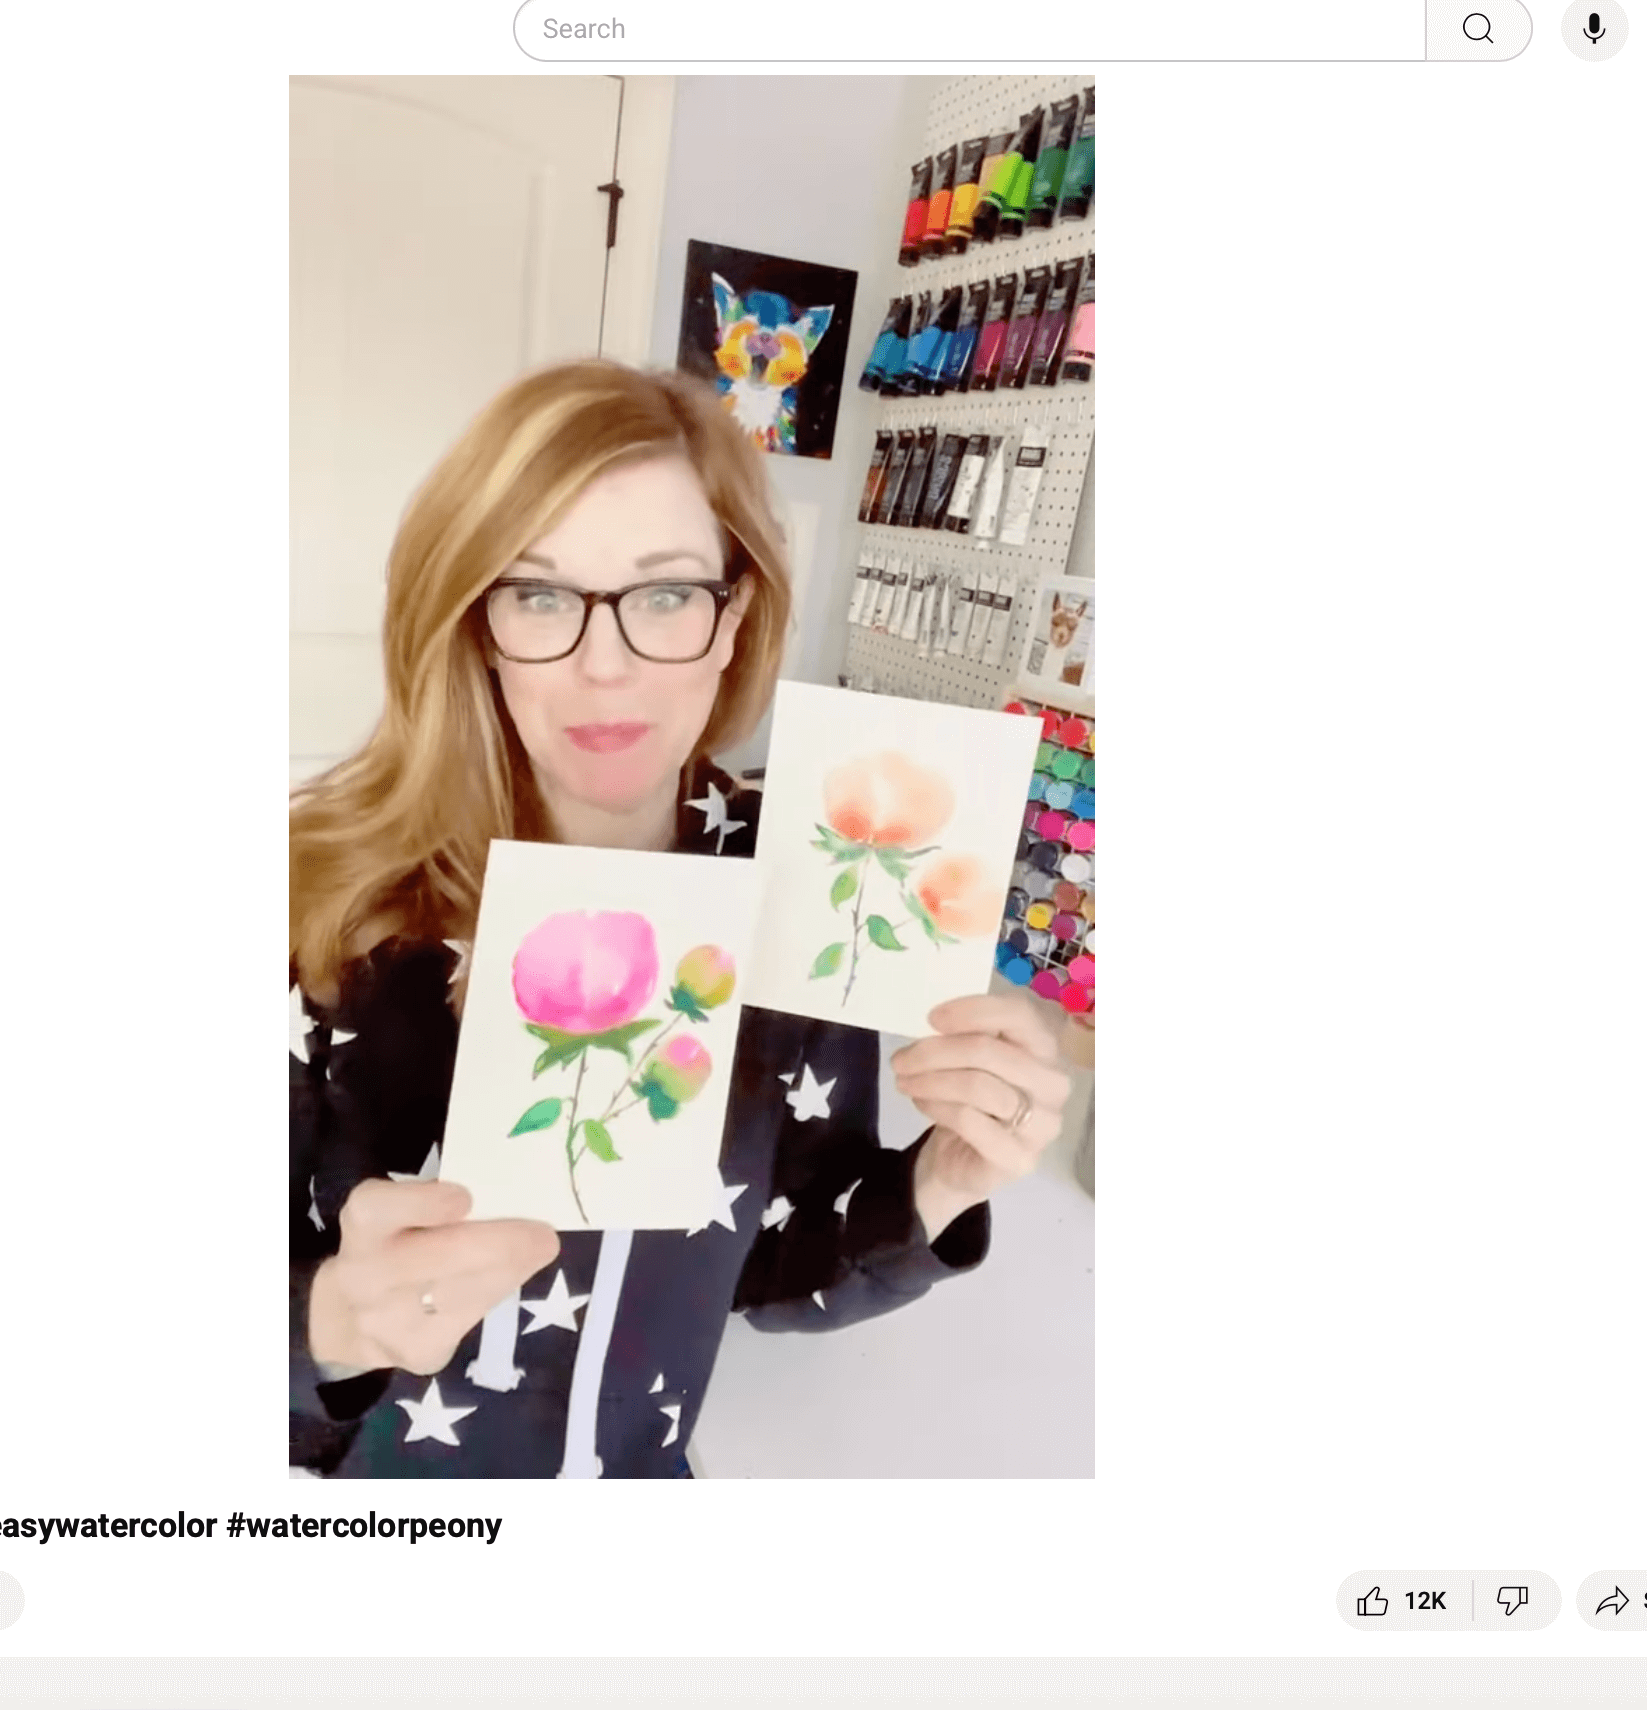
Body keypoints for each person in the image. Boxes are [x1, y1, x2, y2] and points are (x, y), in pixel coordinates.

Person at [289, 360, 1071, 1477]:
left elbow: (770, 1265)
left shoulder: (800, 891)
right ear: (476, 624)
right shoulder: (323, 901)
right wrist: (321, 1327)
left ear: (731, 617)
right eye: (538, 595)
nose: (605, 667)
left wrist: (944, 1176)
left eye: (664, 596)